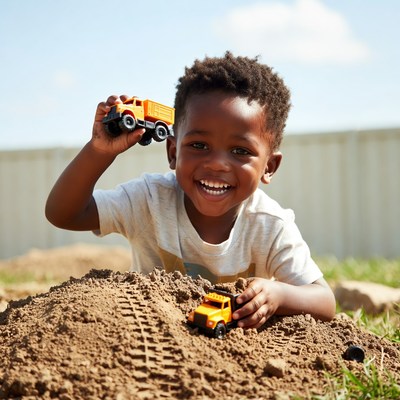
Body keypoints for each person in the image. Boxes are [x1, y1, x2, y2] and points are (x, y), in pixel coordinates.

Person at [46, 52, 336, 328]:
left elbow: (323, 300)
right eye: (199, 145)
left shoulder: (270, 226)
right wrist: (99, 151)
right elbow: (64, 214)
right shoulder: (150, 200)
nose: (217, 164)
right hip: (148, 333)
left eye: (240, 150)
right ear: (172, 151)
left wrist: (279, 295)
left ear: (269, 167)